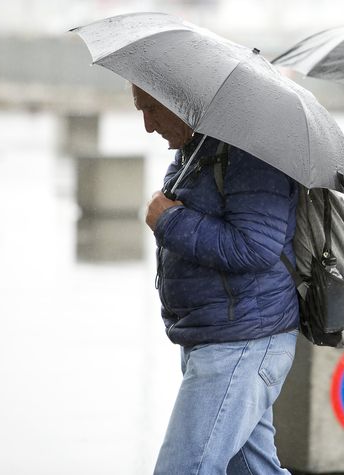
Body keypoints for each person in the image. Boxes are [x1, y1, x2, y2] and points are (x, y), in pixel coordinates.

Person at [133, 84, 299, 474]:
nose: (147, 125)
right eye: (140, 109)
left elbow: (256, 248)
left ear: (182, 100)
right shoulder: (200, 148)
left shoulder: (251, 153)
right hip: (218, 336)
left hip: (241, 342)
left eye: (153, 109)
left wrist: (171, 220)